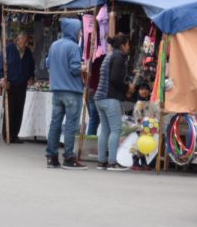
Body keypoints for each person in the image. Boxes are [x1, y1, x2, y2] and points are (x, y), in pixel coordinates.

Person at [45, 18, 87, 169]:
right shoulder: (74, 47)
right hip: (72, 91)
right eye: (79, 30)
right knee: (70, 125)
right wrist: (85, 67)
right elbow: (75, 69)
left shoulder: (54, 45)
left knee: (55, 123)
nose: (81, 33)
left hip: (57, 90)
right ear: (74, 31)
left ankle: (51, 156)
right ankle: (69, 157)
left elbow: (47, 63)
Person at [94, 33, 134, 171]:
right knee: (116, 129)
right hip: (110, 97)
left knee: (105, 129)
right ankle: (112, 162)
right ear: (123, 45)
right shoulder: (118, 57)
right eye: (128, 44)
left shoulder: (110, 55)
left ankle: (101, 161)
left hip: (100, 97)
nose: (129, 47)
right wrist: (127, 88)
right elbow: (115, 79)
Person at [0, 32, 35, 144]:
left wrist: (31, 77)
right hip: (9, 85)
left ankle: (14, 135)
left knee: (19, 111)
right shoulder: (8, 50)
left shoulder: (28, 52)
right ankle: (7, 135)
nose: (26, 44)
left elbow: (31, 67)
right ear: (18, 39)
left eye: (27, 42)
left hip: (22, 86)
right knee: (9, 111)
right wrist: (2, 79)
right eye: (24, 41)